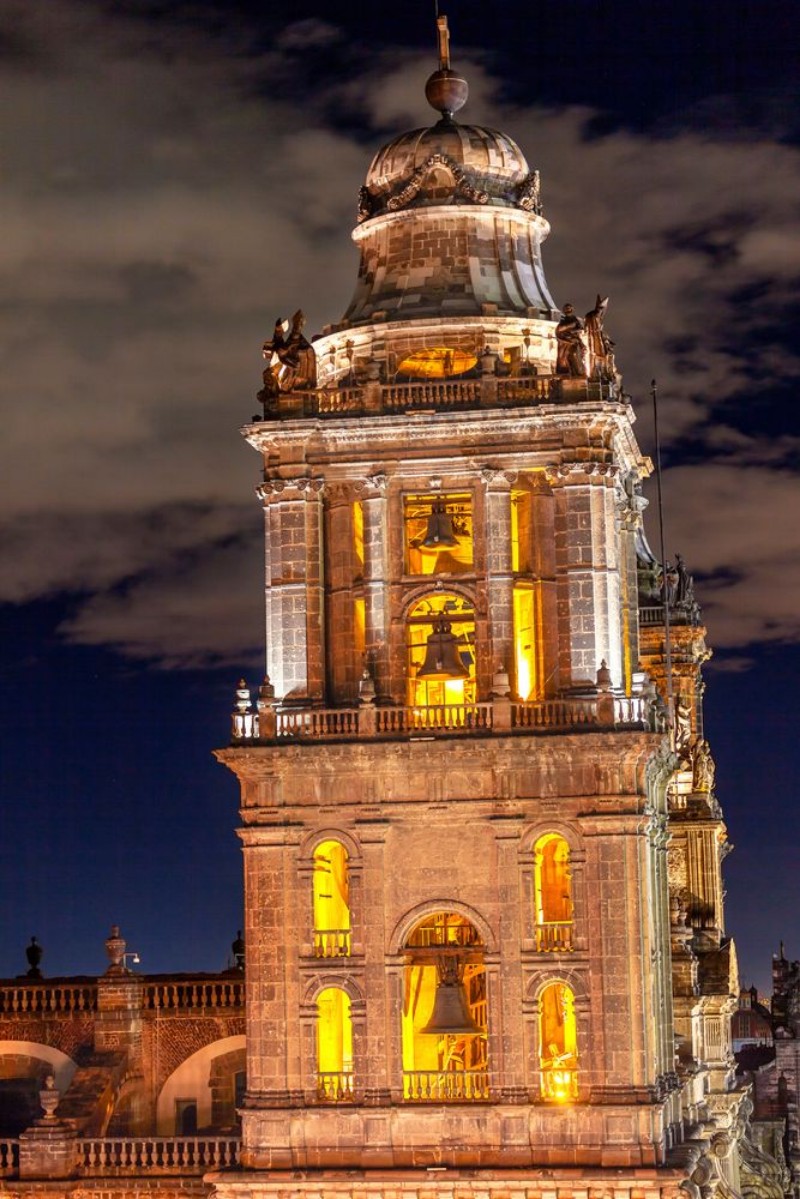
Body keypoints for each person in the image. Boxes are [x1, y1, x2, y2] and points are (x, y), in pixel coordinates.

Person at [555, 304, 586, 376]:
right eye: (566, 309)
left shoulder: (574, 319)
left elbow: (580, 328)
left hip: (574, 341)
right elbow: (558, 331)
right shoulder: (563, 320)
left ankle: (578, 371)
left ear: (572, 310)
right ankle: (568, 370)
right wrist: (569, 328)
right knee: (565, 357)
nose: (567, 310)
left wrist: (572, 331)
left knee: (575, 354)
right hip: (565, 342)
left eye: (569, 309)